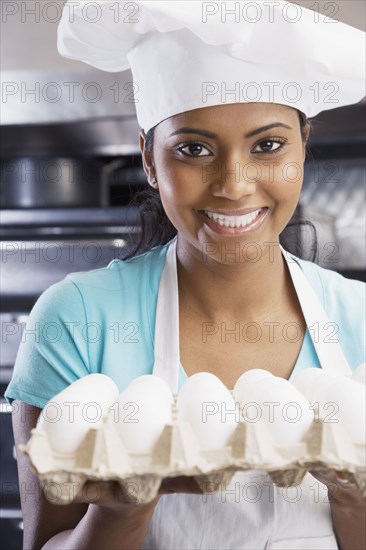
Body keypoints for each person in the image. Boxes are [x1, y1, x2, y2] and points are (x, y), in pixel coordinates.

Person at [5, 1, 365, 549]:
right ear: (149, 159)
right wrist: (125, 511)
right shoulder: (76, 318)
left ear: (303, 148)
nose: (234, 185)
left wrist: (354, 495)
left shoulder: (359, 318)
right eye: (194, 149)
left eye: (268, 145)